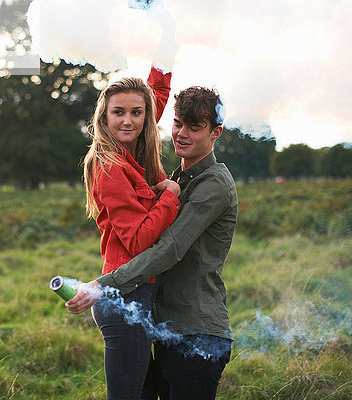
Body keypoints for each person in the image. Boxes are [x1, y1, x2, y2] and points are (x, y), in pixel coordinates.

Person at [68, 86, 238, 400]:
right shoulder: (179, 177)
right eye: (177, 124)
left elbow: (168, 249)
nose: (182, 134)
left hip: (197, 333)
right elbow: (142, 106)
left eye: (194, 127)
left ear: (216, 132)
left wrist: (104, 284)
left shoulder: (212, 183)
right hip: (164, 328)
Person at [79, 65, 183, 400]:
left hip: (140, 293)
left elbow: (157, 94)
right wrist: (169, 196)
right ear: (104, 117)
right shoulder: (109, 165)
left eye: (137, 113)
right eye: (118, 112)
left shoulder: (134, 146)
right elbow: (139, 240)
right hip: (125, 297)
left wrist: (166, 39)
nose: (128, 121)